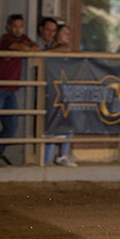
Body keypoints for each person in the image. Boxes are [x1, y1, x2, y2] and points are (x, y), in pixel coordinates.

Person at [0, 13, 40, 167]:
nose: (18, 29)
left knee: (11, 126)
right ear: (8, 27)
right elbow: (25, 48)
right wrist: (27, 46)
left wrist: (27, 46)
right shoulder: (5, 39)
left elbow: (36, 48)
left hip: (9, 88)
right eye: (15, 26)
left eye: (21, 26)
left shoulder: (21, 39)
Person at [45, 24, 77, 166]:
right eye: (64, 33)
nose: (67, 36)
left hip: (64, 90)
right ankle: (46, 158)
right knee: (52, 125)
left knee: (68, 122)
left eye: (69, 33)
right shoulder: (54, 49)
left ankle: (62, 154)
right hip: (53, 91)